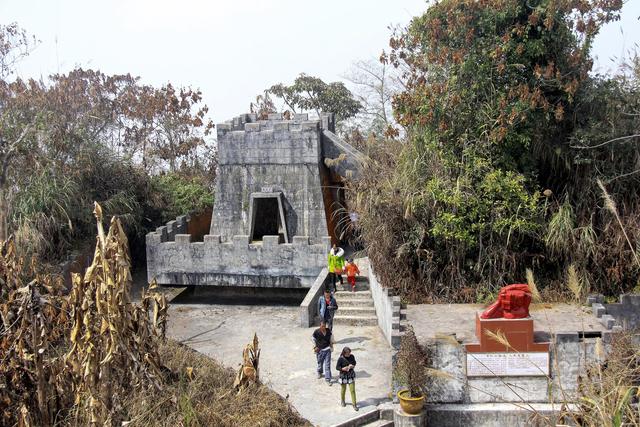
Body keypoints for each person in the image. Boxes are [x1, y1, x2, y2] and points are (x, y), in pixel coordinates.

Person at [312, 320, 334, 385]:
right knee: (320, 363)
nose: (323, 328)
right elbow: (312, 339)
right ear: (320, 326)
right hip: (319, 350)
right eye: (322, 326)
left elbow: (331, 338)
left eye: (324, 326)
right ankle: (319, 372)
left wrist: (331, 345)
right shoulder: (316, 332)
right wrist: (314, 346)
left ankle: (327, 379)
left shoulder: (328, 331)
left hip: (327, 350)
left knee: (327, 365)